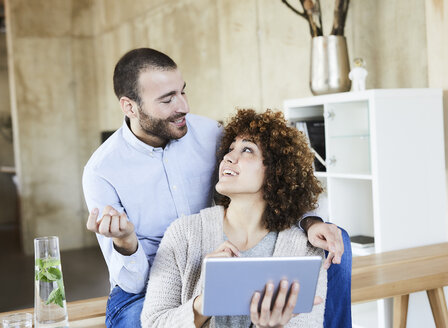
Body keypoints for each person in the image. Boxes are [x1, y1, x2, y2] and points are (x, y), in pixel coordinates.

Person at [82, 48, 352, 328]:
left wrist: (310, 221)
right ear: (130, 107)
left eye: (182, 92)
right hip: (145, 287)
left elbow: (279, 180)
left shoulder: (211, 134)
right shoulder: (101, 172)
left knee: (334, 239)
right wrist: (126, 243)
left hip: (220, 254)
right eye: (167, 100)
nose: (183, 106)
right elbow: (131, 281)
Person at [138, 108, 326, 327]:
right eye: (230, 149)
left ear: (276, 172)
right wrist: (203, 302)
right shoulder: (184, 234)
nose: (228, 157)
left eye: (247, 150)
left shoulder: (304, 249)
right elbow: (153, 323)